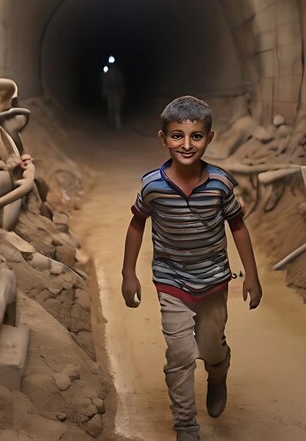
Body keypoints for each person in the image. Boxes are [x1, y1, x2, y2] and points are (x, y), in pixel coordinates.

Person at [121, 95, 262, 441]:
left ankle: (218, 373)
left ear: (209, 138)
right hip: (171, 282)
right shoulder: (152, 186)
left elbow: (238, 226)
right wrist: (128, 273)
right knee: (181, 353)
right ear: (163, 138)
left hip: (214, 282)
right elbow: (137, 224)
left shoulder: (220, 184)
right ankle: (186, 426)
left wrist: (252, 276)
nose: (186, 145)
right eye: (177, 136)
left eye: (196, 136)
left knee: (211, 347)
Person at [101, 63, 125, 130]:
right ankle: (113, 126)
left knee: (115, 111)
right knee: (112, 110)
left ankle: (116, 126)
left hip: (115, 93)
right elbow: (105, 82)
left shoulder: (117, 73)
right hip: (112, 94)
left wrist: (122, 92)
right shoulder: (108, 72)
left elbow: (120, 83)